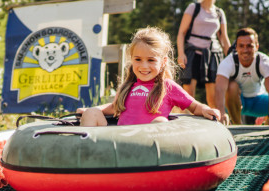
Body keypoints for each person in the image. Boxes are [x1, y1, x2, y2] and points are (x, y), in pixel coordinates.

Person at [77, 26, 220, 126]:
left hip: (149, 146)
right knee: (92, 112)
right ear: (131, 59)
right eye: (138, 59)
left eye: (151, 60)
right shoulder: (127, 86)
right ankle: (87, 162)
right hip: (119, 142)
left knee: (161, 122)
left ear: (163, 62)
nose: (144, 66)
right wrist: (91, 110)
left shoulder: (167, 87)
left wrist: (206, 109)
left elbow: (194, 106)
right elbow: (115, 107)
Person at [177, 0, 231, 108]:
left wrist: (231, 60)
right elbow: (181, 33)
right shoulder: (193, 8)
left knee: (213, 96)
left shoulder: (219, 13)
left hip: (213, 54)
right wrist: (181, 53)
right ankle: (187, 126)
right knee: (188, 94)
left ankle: (215, 123)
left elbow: (224, 38)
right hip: (193, 53)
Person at [215, 27, 269, 125]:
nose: (245, 50)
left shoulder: (264, 61)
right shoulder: (228, 62)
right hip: (237, 103)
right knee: (231, 86)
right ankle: (237, 126)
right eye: (241, 46)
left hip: (259, 101)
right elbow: (219, 89)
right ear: (236, 47)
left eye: (249, 46)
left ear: (256, 46)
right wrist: (221, 113)